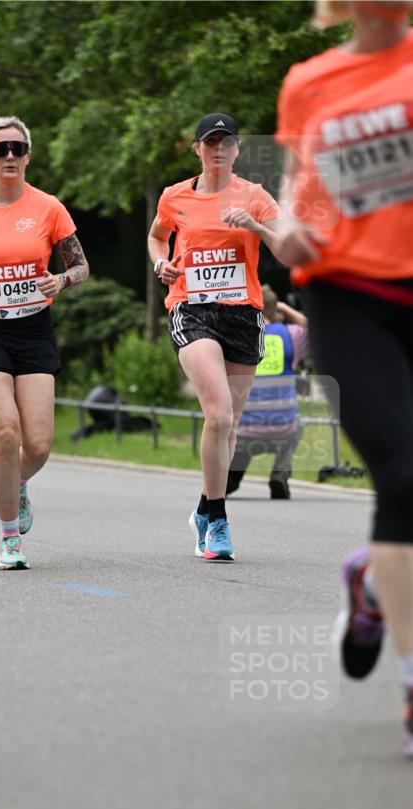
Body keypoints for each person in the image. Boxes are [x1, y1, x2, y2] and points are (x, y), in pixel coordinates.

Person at [274, 0, 413, 755]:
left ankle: (369, 584)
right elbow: (305, 188)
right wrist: (292, 225)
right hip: (349, 295)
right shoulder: (308, 82)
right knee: (400, 477)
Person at [0, 115, 89, 569]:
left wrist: (60, 280)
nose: (10, 156)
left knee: (38, 445)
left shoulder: (49, 208)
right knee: (6, 432)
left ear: (28, 155)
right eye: (0, 149)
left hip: (33, 331)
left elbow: (81, 268)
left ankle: (16, 485)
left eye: (17, 149)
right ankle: (9, 540)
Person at [148, 113, 281, 561]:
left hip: (242, 313)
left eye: (226, 143)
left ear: (238, 150)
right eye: (210, 143)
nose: (218, 150)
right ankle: (219, 521)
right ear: (198, 150)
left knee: (232, 425)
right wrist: (159, 263)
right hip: (192, 307)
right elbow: (156, 237)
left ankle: (204, 507)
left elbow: (286, 247)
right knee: (219, 415)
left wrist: (256, 227)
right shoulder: (175, 196)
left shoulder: (254, 196)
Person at [226, 285, 310, 499]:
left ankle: (230, 480)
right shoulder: (290, 336)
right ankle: (280, 474)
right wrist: (284, 308)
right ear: (275, 311)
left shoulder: (238, 336)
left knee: (239, 434)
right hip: (283, 426)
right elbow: (309, 326)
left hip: (245, 429)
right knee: (299, 425)